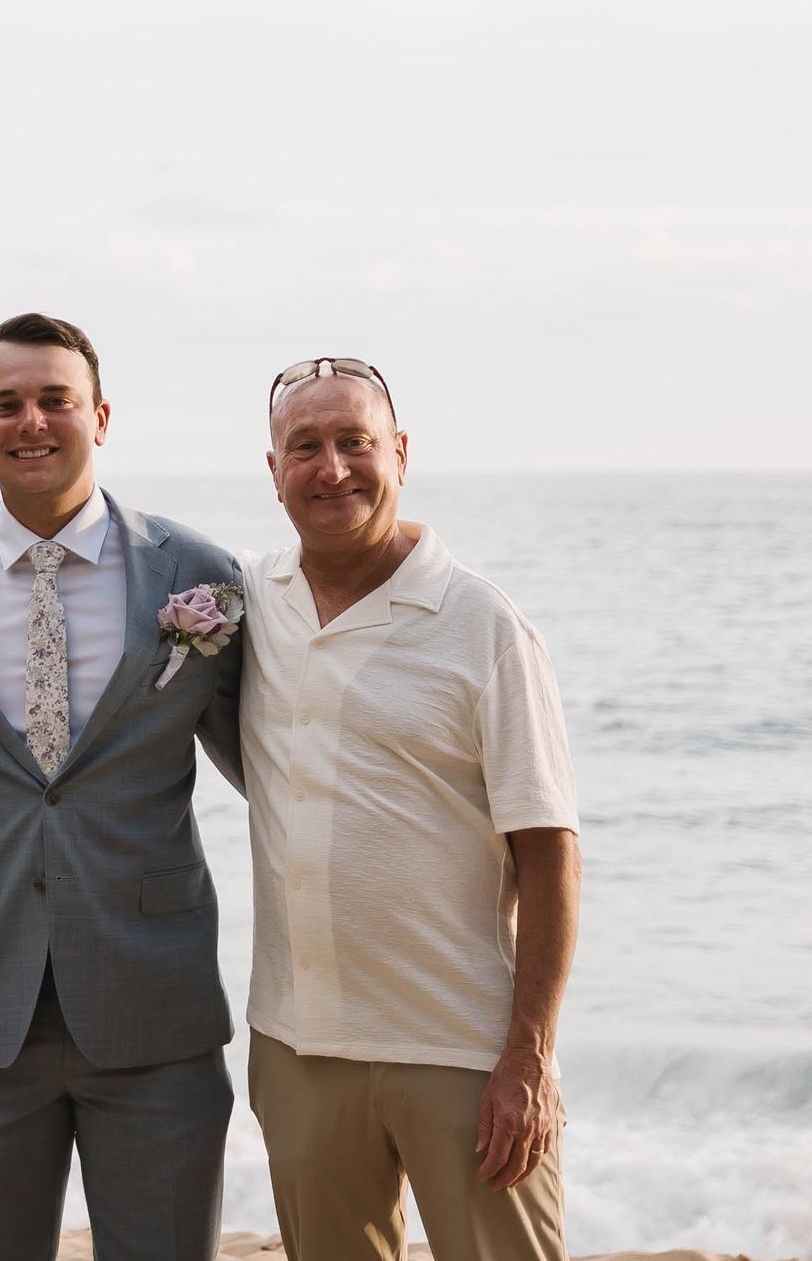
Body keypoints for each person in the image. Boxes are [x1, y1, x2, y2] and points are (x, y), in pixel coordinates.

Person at [0, 312, 245, 1261]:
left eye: (56, 399)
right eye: (4, 404)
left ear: (101, 415)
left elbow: (273, 758)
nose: (32, 421)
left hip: (156, 1002)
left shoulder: (201, 575)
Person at [243, 357, 581, 1261]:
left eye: (355, 442)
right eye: (305, 447)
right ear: (273, 470)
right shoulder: (250, 601)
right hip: (299, 1043)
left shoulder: (484, 625)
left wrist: (529, 1055)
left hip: (463, 1047)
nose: (332, 469)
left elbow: (550, 852)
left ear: (400, 453)